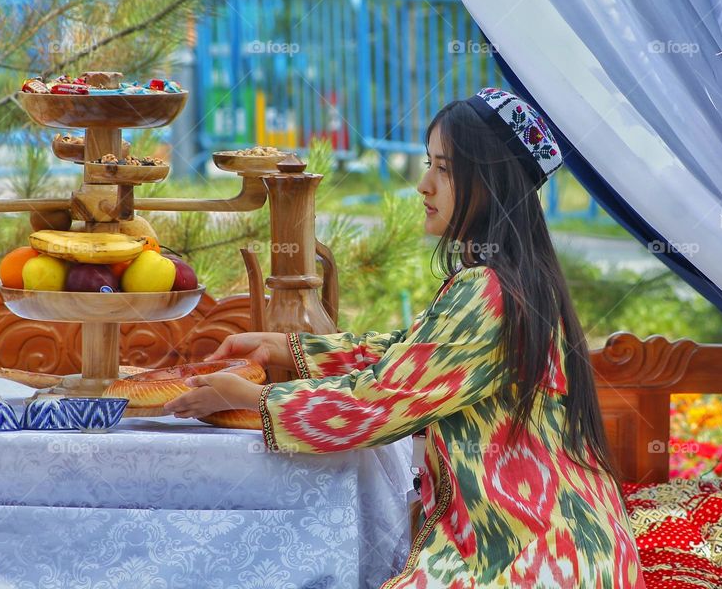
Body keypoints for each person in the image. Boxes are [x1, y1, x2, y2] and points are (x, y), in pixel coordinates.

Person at [164, 87, 646, 589]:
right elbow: (413, 356)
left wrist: (256, 396)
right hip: (570, 543)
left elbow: (381, 400)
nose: (423, 185)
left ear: (493, 182)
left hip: (533, 558)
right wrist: (286, 348)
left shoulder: (489, 291)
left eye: (444, 168)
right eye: (428, 163)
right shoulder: (521, 279)